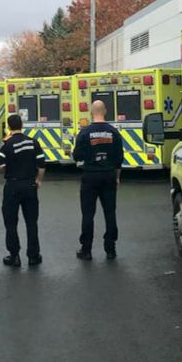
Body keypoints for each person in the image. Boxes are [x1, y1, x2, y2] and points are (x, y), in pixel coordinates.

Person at [72, 100, 124, 260]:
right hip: (109, 175)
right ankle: (110, 249)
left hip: (90, 176)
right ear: (105, 111)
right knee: (110, 213)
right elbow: (119, 159)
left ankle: (86, 250)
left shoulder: (84, 133)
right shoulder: (113, 132)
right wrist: (117, 178)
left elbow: (77, 156)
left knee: (88, 214)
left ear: (91, 112)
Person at [0, 114, 46, 267]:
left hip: (13, 186)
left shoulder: (7, 144)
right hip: (30, 185)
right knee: (31, 222)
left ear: (9, 127)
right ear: (22, 125)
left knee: (11, 222)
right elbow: (41, 165)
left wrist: (5, 166)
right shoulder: (33, 142)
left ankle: (14, 256)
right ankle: (33, 256)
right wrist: (38, 180)